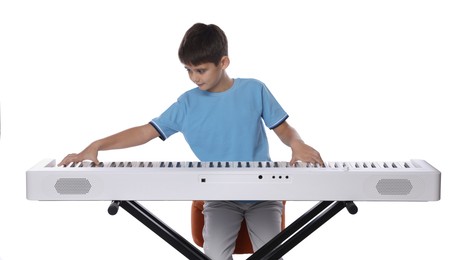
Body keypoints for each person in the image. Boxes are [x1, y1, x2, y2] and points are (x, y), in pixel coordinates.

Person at [59, 23, 323, 260]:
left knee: (271, 253)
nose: (194, 77)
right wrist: (96, 146)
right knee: (215, 256)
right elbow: (144, 132)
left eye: (201, 70)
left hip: (263, 194)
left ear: (224, 62)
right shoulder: (187, 104)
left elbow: (285, 130)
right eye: (188, 70)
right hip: (220, 196)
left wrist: (297, 144)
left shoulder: (254, 89)